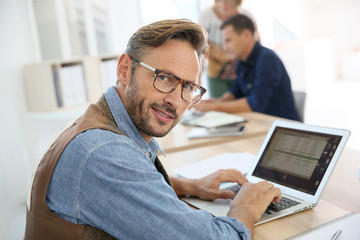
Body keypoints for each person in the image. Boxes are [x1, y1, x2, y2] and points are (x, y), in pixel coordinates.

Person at [24, 19, 281, 240]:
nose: (176, 101)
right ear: (125, 70)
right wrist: (245, 207)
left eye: (188, 87)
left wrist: (190, 185)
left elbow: (128, 186)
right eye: (165, 77)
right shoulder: (104, 153)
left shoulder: (99, 123)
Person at [192, 14, 299, 121]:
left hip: (281, 128)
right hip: (259, 123)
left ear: (246, 35)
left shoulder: (267, 59)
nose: (225, 47)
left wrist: (214, 107)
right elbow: (235, 92)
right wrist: (216, 101)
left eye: (228, 40)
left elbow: (256, 103)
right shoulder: (242, 61)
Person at [199, 0, 260, 98]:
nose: (223, 4)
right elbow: (202, 48)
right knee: (219, 106)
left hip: (242, 72)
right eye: (220, 1)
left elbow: (256, 45)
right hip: (216, 72)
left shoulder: (246, 17)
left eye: (227, 1)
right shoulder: (206, 16)